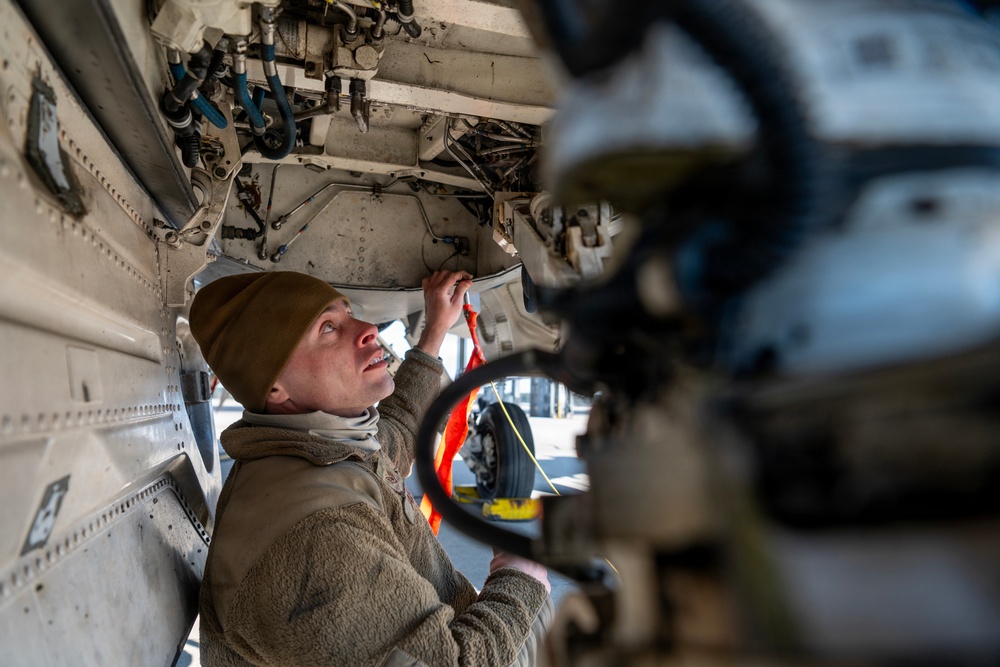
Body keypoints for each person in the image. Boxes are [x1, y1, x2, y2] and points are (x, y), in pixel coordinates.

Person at [189, 269, 552, 667]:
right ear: (274, 386)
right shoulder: (318, 540)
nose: (367, 328)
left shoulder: (319, 447)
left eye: (348, 313)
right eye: (328, 328)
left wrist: (433, 333)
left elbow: (395, 431)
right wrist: (520, 577)